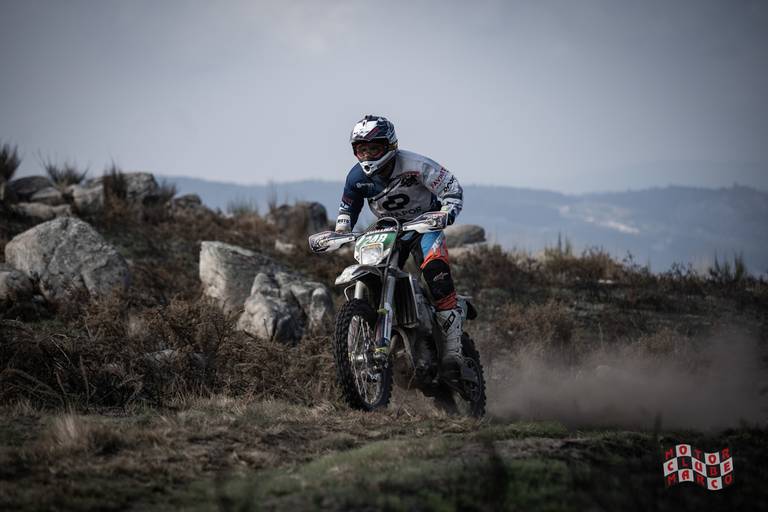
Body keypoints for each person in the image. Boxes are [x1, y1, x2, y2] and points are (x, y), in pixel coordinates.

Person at [334, 114, 465, 380]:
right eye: (362, 149)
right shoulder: (356, 177)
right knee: (373, 272)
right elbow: (347, 211)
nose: (368, 155)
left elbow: (451, 188)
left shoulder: (417, 165)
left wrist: (447, 212)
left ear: (390, 146)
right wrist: (340, 232)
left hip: (425, 224)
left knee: (436, 273)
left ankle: (454, 352)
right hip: (388, 229)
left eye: (374, 148)